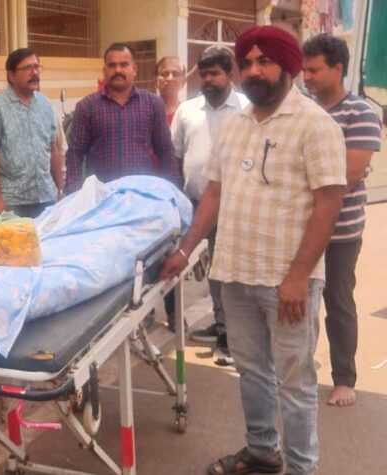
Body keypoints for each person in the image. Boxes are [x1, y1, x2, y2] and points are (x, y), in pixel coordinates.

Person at [160, 26, 346, 475]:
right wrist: (186, 250)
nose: (253, 71)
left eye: (265, 61)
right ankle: (263, 451)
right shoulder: (234, 126)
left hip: (288, 282)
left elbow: (329, 203)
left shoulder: (315, 124)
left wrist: (298, 277)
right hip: (235, 273)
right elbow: (214, 193)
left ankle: (302, 468)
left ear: (289, 67)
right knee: (252, 371)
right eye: (246, 63)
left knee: (296, 383)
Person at [302, 34, 382, 407]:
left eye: (314, 70)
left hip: (341, 230)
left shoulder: (361, 113)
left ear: (338, 69)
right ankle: (299, 370)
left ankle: (344, 379)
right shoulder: (303, 111)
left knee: (337, 302)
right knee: (297, 303)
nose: (307, 77)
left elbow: (348, 175)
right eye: (304, 70)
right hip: (300, 228)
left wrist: (298, 188)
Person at [171, 47, 250, 365]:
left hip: (232, 207)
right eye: (203, 74)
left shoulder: (247, 108)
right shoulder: (187, 110)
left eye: (214, 73)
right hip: (193, 205)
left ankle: (231, 339)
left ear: (230, 75)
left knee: (227, 273)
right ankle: (221, 325)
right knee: (202, 271)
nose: (207, 79)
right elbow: (176, 155)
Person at [65, 42, 178, 193]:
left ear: (134, 69)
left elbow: (165, 150)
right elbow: (75, 153)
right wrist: (74, 192)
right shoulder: (87, 107)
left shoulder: (153, 104)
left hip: (141, 195)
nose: (118, 70)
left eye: (124, 65)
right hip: (101, 196)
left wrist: (171, 190)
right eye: (112, 65)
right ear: (105, 71)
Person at [0, 48, 63, 218]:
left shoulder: (46, 105)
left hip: (46, 196)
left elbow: (53, 149)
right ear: (11, 76)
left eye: (37, 67)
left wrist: (60, 190)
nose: (35, 72)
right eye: (27, 68)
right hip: (12, 200)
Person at [155, 55, 186, 124]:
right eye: (164, 74)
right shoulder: (147, 113)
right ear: (155, 81)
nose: (170, 78)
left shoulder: (187, 113)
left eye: (175, 74)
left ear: (183, 81)